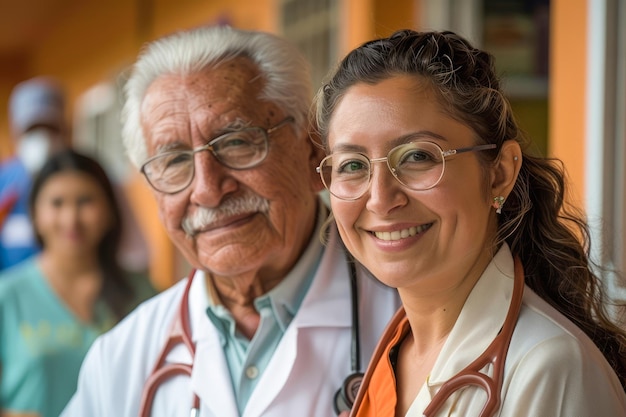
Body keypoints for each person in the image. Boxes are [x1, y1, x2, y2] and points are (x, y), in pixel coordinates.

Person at [61, 25, 400, 417]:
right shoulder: (121, 358)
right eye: (173, 161)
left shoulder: (413, 315)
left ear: (312, 151)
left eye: (237, 142)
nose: (207, 189)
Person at [314, 29, 626, 417]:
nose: (380, 198)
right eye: (353, 166)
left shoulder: (550, 370)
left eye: (417, 157)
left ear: (498, 174)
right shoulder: (400, 351)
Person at [0, 149, 150, 417]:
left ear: (110, 211)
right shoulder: (7, 296)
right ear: (35, 213)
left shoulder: (144, 296)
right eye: (57, 203)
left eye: (85, 201)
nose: (71, 219)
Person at [0, 77, 67, 271]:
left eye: (49, 128)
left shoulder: (83, 178)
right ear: (16, 133)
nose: (42, 138)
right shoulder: (4, 182)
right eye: (32, 129)